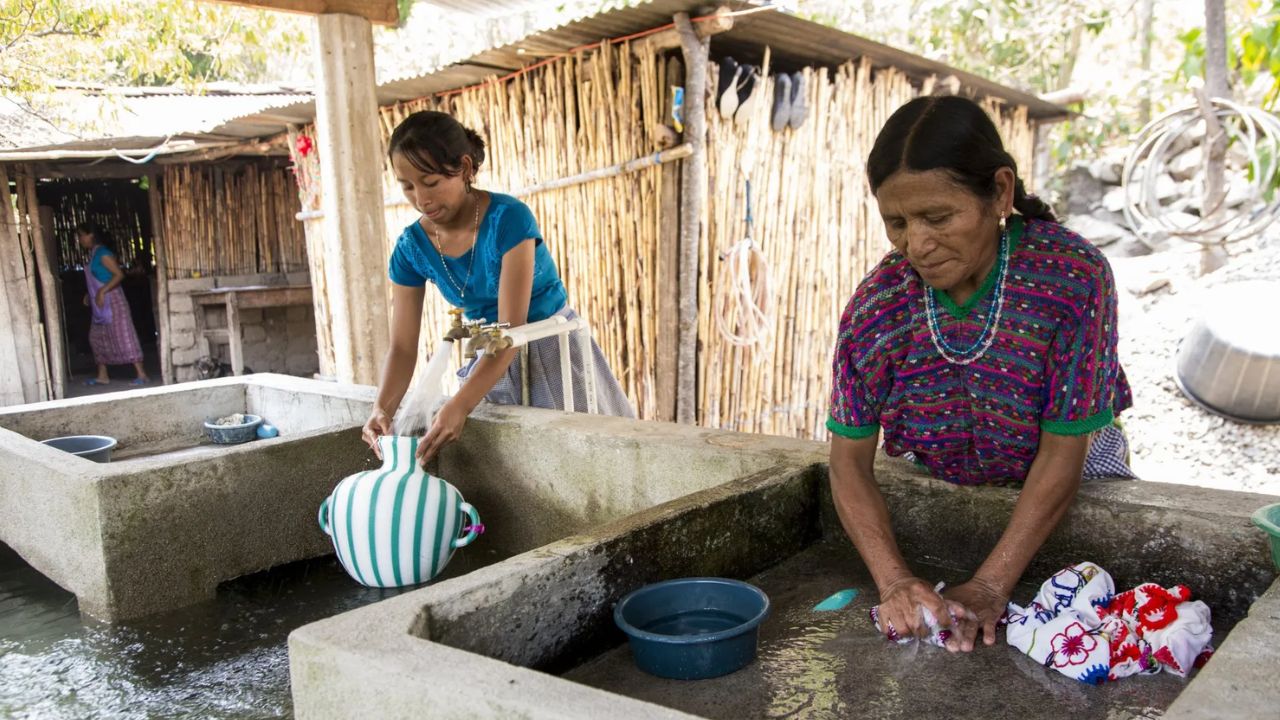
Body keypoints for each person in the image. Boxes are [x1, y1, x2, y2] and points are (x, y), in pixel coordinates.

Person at [826, 96, 1135, 654]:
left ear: (1000, 191)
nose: (915, 244)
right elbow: (848, 465)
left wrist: (992, 584)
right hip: (944, 470)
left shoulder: (1071, 277)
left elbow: (1065, 451)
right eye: (896, 222)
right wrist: (896, 581)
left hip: (1077, 470)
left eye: (938, 218)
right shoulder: (877, 309)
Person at [362, 111, 634, 466]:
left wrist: (460, 404)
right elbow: (401, 347)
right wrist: (382, 408)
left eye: (430, 182)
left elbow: (511, 331)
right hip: (489, 358)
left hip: (549, 348)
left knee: (578, 463)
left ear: (463, 168)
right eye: (407, 186)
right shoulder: (411, 248)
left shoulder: (509, 219)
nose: (421, 199)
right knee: (515, 469)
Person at [77, 222, 148, 386]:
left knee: (124, 334)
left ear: (91, 235)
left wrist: (102, 291)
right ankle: (103, 375)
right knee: (97, 337)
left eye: (82, 235)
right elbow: (100, 278)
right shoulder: (94, 255)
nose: (80, 239)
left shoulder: (103, 254)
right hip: (100, 301)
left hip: (113, 299)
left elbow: (118, 275)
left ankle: (141, 374)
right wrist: (91, 294)